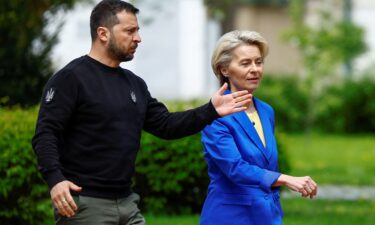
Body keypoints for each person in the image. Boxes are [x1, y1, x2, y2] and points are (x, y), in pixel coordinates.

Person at [31, 1, 253, 225]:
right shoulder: (71, 78)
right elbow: (46, 133)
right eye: (130, 31)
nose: (138, 38)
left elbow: (166, 125)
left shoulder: (134, 84)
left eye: (137, 30)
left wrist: (211, 110)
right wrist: (55, 179)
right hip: (85, 205)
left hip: (128, 203)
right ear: (103, 33)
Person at [199, 30, 318, 225]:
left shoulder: (266, 110)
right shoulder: (215, 115)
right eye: (245, 63)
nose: (255, 69)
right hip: (230, 217)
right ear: (224, 69)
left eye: (259, 62)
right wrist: (286, 179)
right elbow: (235, 168)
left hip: (267, 215)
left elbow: (265, 162)